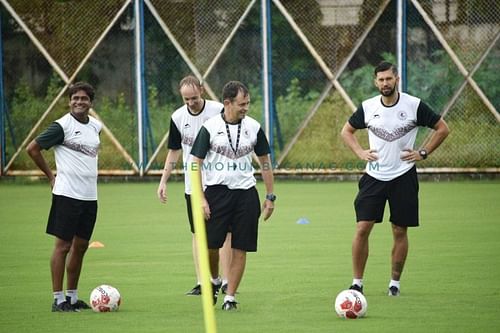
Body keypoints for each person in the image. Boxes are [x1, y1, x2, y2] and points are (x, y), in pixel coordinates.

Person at [340, 61, 449, 296]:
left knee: (400, 230)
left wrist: (423, 152)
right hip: (374, 176)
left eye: (389, 78)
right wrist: (360, 152)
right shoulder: (368, 107)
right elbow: (346, 131)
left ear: (397, 79)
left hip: (403, 176)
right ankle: (357, 282)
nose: (385, 83)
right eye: (380, 79)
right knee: (362, 228)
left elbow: (442, 128)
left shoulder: (413, 105)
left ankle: (394, 284)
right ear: (375, 82)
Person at [190, 80, 276, 311]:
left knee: (241, 246)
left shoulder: (254, 127)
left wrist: (270, 196)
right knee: (210, 246)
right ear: (227, 103)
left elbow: (266, 163)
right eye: (241, 104)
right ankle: (215, 280)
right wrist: (200, 198)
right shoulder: (209, 127)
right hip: (217, 193)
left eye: (247, 103)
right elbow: (195, 164)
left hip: (246, 194)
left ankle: (230, 296)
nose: (246, 108)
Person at [26, 82, 102, 312]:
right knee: (63, 246)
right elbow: (32, 149)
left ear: (91, 102)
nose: (79, 102)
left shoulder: (96, 127)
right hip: (67, 195)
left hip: (90, 197)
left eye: (84, 98)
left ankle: (72, 297)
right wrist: (51, 176)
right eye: (75, 98)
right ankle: (58, 300)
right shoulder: (61, 126)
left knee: (81, 246)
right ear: (70, 101)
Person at [157, 75, 232, 295]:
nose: (190, 103)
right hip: (193, 185)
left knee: (226, 233)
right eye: (186, 99)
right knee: (198, 233)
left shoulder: (218, 110)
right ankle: (203, 281)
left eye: (194, 98)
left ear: (202, 90)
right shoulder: (178, 117)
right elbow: (174, 151)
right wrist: (164, 180)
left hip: (218, 183)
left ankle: (226, 280)